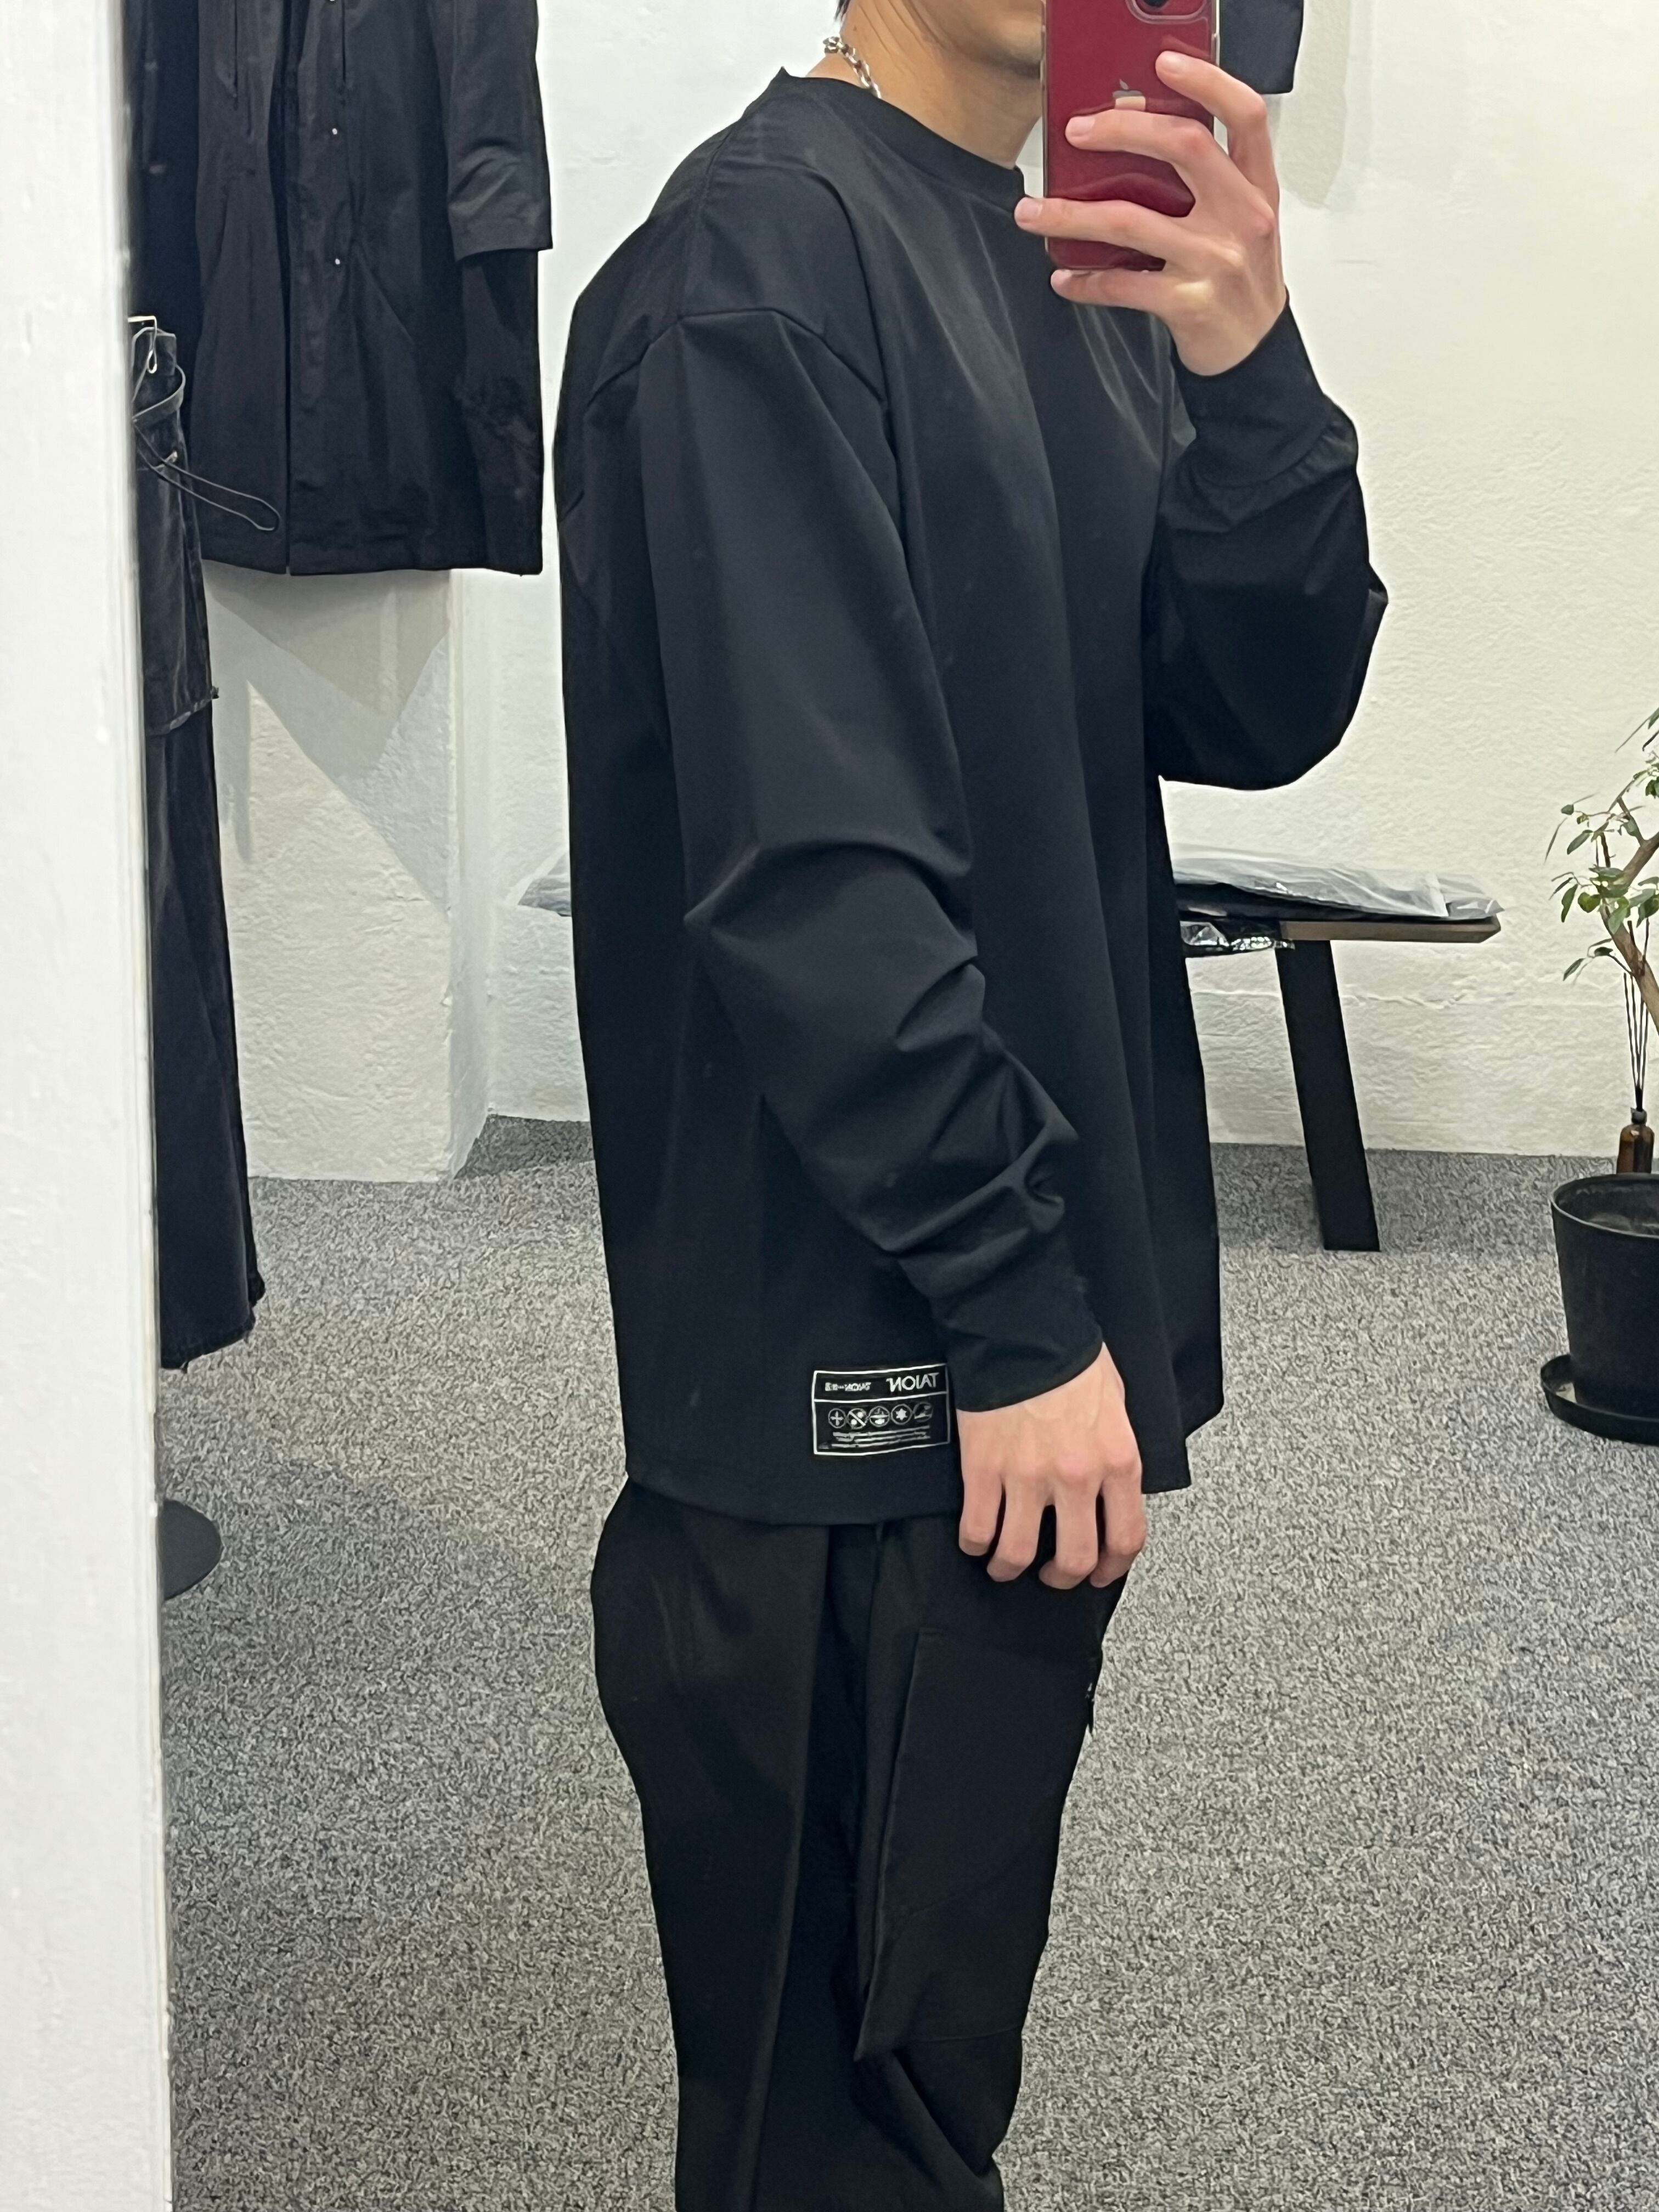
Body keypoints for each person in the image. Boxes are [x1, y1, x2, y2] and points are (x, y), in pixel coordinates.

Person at [555, 2, 1385, 2204]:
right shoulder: (752, 267)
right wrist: (1012, 1309)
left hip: (1023, 1323)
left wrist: (1252, 367)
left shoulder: (1069, 255)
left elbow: (1251, 704)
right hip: (859, 1354)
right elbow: (811, 872)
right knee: (838, 2109)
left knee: (928, 2051)